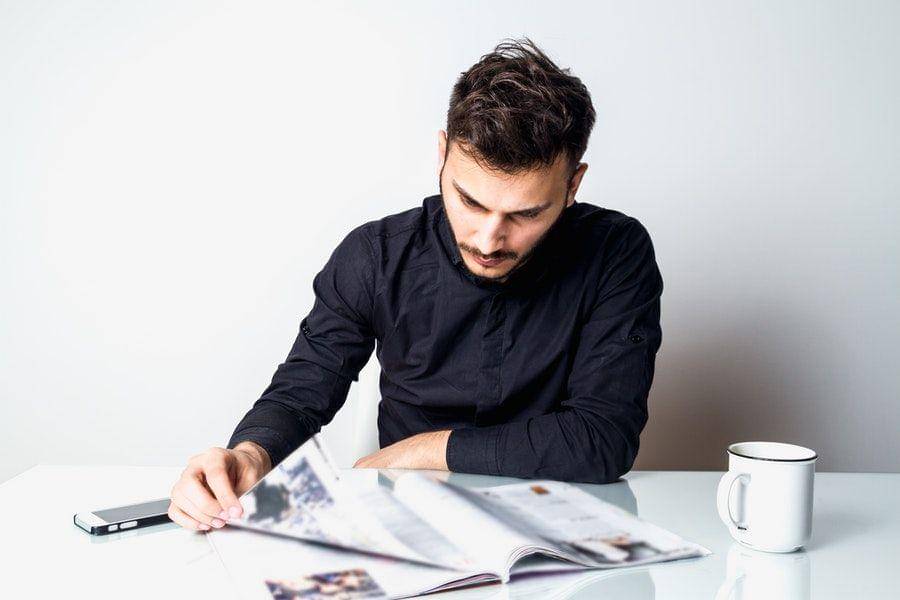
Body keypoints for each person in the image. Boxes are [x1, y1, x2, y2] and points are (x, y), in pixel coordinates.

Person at [168, 37, 663, 531]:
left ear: (573, 184)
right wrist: (250, 454)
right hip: (409, 522)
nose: (489, 240)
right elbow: (301, 392)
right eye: (469, 202)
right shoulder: (375, 255)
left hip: (561, 521)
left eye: (526, 214)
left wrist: (424, 451)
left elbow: (603, 438)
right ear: (442, 155)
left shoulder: (616, 253)